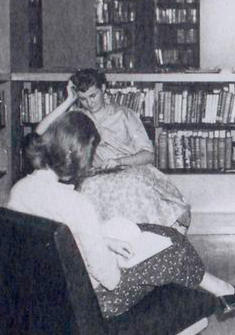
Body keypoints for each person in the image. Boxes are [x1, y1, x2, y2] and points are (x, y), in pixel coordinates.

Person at [9, 112, 235, 335]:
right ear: (80, 156)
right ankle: (220, 294)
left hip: (44, 296)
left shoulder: (20, 191)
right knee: (173, 249)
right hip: (92, 302)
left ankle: (221, 294)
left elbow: (52, 235)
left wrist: (102, 239)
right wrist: (109, 253)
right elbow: (111, 280)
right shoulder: (76, 204)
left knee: (161, 233)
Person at [35, 69, 191, 231]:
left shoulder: (124, 115)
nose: (89, 103)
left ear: (103, 89)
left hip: (132, 170)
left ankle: (146, 237)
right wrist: (69, 101)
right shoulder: (78, 117)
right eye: (83, 99)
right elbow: (40, 132)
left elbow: (148, 154)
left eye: (93, 96)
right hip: (97, 176)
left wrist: (119, 161)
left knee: (132, 186)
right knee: (89, 188)